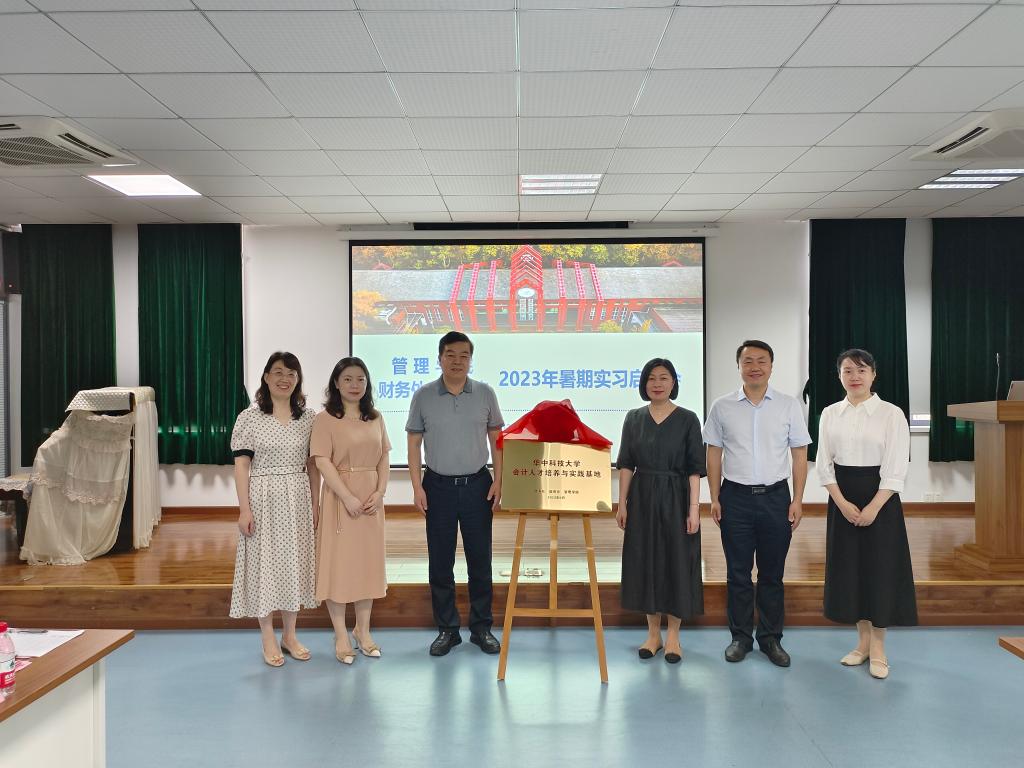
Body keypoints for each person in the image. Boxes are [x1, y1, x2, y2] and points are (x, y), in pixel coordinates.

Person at [703, 340, 811, 667]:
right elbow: (713, 454)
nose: (755, 367)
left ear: (771, 366)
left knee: (772, 574)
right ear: (738, 366)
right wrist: (714, 497)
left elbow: (799, 455)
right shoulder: (722, 406)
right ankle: (740, 638)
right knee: (737, 573)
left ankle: (770, 638)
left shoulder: (789, 406)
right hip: (734, 498)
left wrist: (798, 500)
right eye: (748, 361)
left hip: (776, 498)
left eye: (761, 361)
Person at [817, 348, 916, 680]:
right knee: (851, 572)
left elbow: (896, 466)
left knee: (879, 571)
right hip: (842, 500)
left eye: (861, 370)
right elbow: (824, 464)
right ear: (839, 376)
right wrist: (841, 502)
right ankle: (861, 645)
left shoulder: (891, 414)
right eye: (847, 370)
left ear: (874, 374)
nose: (854, 376)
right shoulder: (830, 413)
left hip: (881, 502)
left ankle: (879, 648)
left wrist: (874, 507)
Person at [407, 331, 504, 657]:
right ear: (440, 358)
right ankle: (447, 629)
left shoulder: (485, 393)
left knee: (480, 560)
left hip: (478, 486)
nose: (457, 361)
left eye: (464, 355)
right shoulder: (423, 396)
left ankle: (481, 628)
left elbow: (496, 439)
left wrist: (499, 480)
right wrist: (416, 486)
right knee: (440, 562)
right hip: (437, 487)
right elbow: (413, 444)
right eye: (450, 354)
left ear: (471, 359)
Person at [229, 352, 320, 667]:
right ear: (266, 377)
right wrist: (244, 509)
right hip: (262, 497)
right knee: (264, 565)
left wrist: (315, 503)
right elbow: (242, 466)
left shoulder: (308, 418)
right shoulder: (249, 417)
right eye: (279, 372)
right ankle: (267, 635)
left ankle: (290, 635)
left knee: (293, 564)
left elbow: (313, 467)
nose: (285, 379)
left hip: (297, 497)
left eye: (292, 373)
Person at [616, 358, 705, 664]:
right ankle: (653, 635)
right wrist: (622, 503)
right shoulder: (633, 418)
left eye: (664, 377)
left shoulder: (688, 419)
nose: (657, 383)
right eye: (651, 378)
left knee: (676, 562)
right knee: (646, 561)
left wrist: (694, 509)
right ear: (644, 383)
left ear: (673, 383)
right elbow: (626, 464)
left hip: (677, 498)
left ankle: (674, 637)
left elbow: (695, 469)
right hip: (642, 498)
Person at [310, 357, 390, 665]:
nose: (355, 385)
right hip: (340, 498)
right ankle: (341, 634)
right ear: (336, 383)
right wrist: (346, 497)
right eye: (347, 379)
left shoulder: (376, 417)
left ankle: (363, 631)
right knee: (339, 565)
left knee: (367, 565)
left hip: (370, 500)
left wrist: (380, 492)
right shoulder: (325, 419)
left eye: (360, 379)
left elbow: (384, 457)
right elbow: (322, 461)